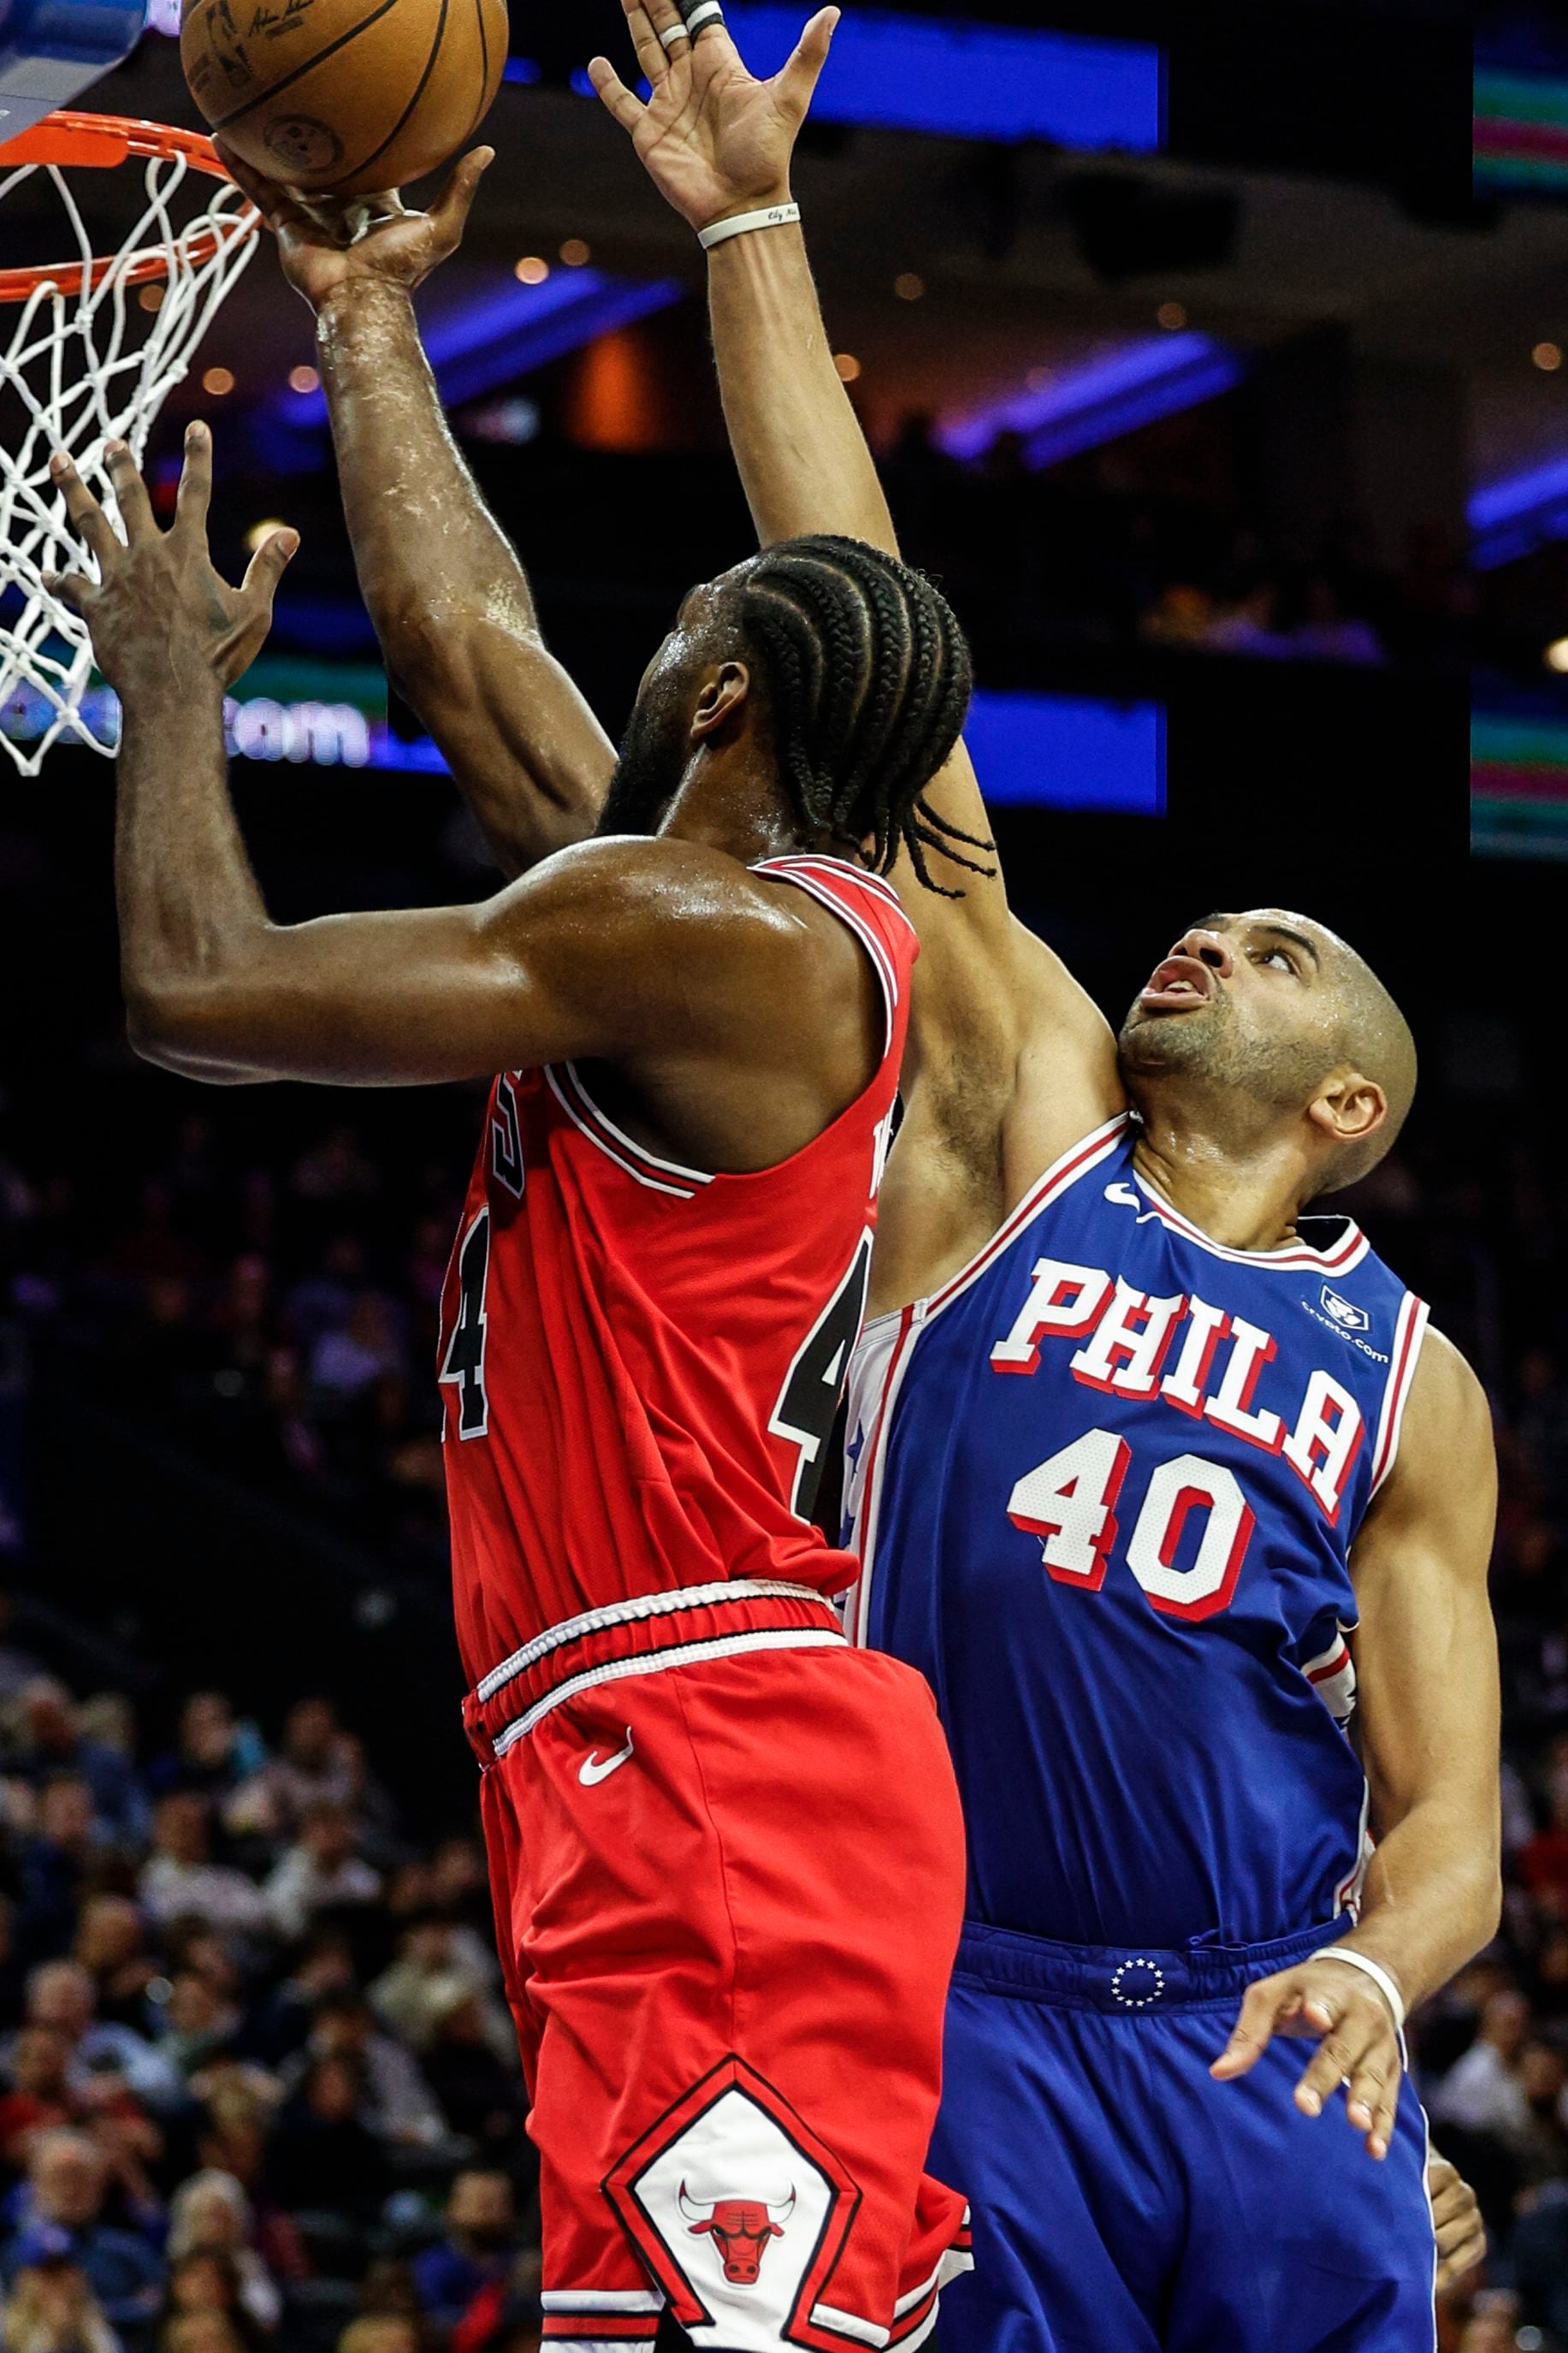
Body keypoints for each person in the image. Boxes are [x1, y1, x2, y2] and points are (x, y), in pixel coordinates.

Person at [197, 9, 1500, 2350]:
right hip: (957, 1975)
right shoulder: (1024, 1108)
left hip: (1254, 2014)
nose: (1215, 937)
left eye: (1284, 950)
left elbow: (1450, 1826)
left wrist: (1376, 1983)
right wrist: (753, 227)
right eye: (1218, 920)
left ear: (1350, 1107)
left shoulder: (1409, 1378)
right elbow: (866, 617)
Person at [48, 226, 979, 2344]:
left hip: (714, 1762)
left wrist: (170, 687)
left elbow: (198, 989)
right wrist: (363, 311)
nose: (628, 663)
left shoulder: (703, 938)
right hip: (657, 1742)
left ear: (722, 697)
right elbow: (468, 658)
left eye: (673, 633)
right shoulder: (701, 930)